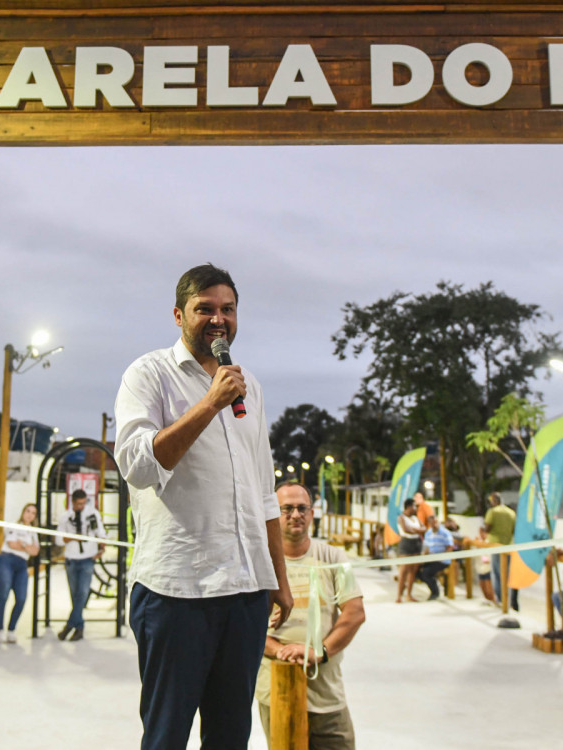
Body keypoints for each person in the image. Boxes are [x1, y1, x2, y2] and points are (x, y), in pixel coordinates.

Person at [114, 263, 292, 750]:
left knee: (231, 737)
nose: (219, 319)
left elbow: (263, 492)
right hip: (176, 591)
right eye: (205, 309)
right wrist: (210, 403)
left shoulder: (249, 386)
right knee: (166, 736)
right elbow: (137, 466)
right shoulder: (148, 374)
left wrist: (277, 577)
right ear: (178, 315)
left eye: (228, 309)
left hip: (245, 590)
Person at [256, 483, 366, 749]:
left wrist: (320, 651)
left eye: (302, 508)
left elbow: (354, 612)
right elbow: (244, 624)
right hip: (276, 691)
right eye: (287, 509)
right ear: (272, 514)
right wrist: (279, 650)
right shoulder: (259, 562)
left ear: (312, 513)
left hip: (326, 693)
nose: (295, 515)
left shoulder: (332, 556)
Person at [55, 489, 106, 641]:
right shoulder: (65, 517)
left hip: (87, 559)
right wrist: (73, 537)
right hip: (71, 559)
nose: (81, 506)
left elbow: (100, 533)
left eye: (83, 503)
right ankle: (79, 628)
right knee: (75, 596)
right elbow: (58, 540)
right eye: (78, 504)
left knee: (82, 594)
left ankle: (69, 626)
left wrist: (102, 549)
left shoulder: (92, 514)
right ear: (72, 502)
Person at [0, 502, 39, 643]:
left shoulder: (33, 532)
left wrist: (22, 544)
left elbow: (35, 551)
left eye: (33, 513)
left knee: (21, 598)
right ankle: (0, 630)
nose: (29, 515)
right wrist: (27, 546)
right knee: (3, 596)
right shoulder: (14, 525)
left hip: (22, 565)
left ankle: (11, 629)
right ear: (23, 512)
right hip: (6, 561)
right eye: (28, 511)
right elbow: (12, 544)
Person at [484, 491, 517, 607]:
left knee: (497, 574)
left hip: (496, 546)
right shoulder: (511, 513)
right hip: (508, 546)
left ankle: (500, 600)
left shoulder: (492, 512)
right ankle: (508, 600)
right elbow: (514, 530)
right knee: (506, 574)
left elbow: (487, 528)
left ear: (493, 501)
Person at [418, 515, 456, 601]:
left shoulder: (445, 533)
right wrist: (423, 558)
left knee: (426, 572)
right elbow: (427, 548)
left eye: (435, 522)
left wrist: (442, 557)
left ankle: (435, 592)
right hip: (431, 559)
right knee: (417, 570)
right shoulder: (428, 533)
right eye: (432, 523)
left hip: (442, 560)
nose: (434, 524)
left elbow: (450, 547)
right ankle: (434, 586)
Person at [395, 498, 424, 603]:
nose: (415, 508)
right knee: (403, 570)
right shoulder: (401, 517)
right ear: (409, 507)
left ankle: (409, 594)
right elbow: (406, 530)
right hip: (406, 543)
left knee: (413, 570)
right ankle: (399, 595)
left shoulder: (415, 518)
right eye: (414, 506)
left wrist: (416, 530)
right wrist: (418, 531)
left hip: (416, 543)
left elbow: (424, 528)